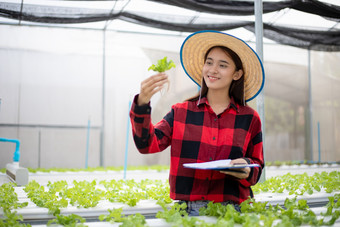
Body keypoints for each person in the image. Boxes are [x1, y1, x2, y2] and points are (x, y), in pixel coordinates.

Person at [129, 30, 265, 216]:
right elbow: (147, 145)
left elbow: (257, 165)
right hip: (187, 210)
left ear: (237, 74)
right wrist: (142, 103)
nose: (213, 70)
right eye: (209, 62)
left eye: (222, 65)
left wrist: (246, 167)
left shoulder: (250, 118)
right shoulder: (181, 112)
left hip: (234, 211)